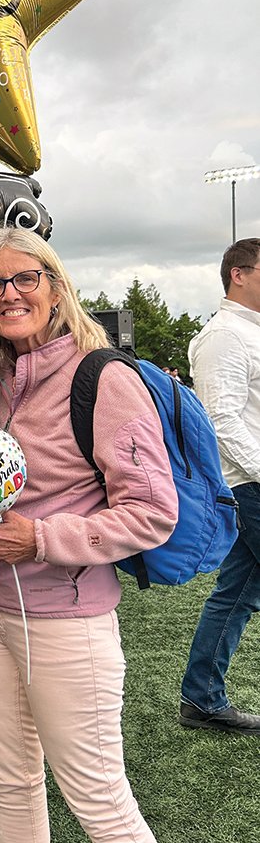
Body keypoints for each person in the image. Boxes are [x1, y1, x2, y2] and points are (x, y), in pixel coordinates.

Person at [0, 227, 182, 843]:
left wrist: (39, 540)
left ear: (54, 284)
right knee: (10, 783)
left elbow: (151, 512)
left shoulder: (102, 376)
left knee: (102, 802)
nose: (9, 294)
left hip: (68, 621)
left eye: (24, 279)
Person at [179, 238, 260, 734]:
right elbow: (221, 420)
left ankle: (202, 698)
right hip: (250, 483)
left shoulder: (247, 333)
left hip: (253, 480)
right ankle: (201, 698)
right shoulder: (225, 336)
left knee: (239, 592)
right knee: (238, 593)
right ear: (240, 274)